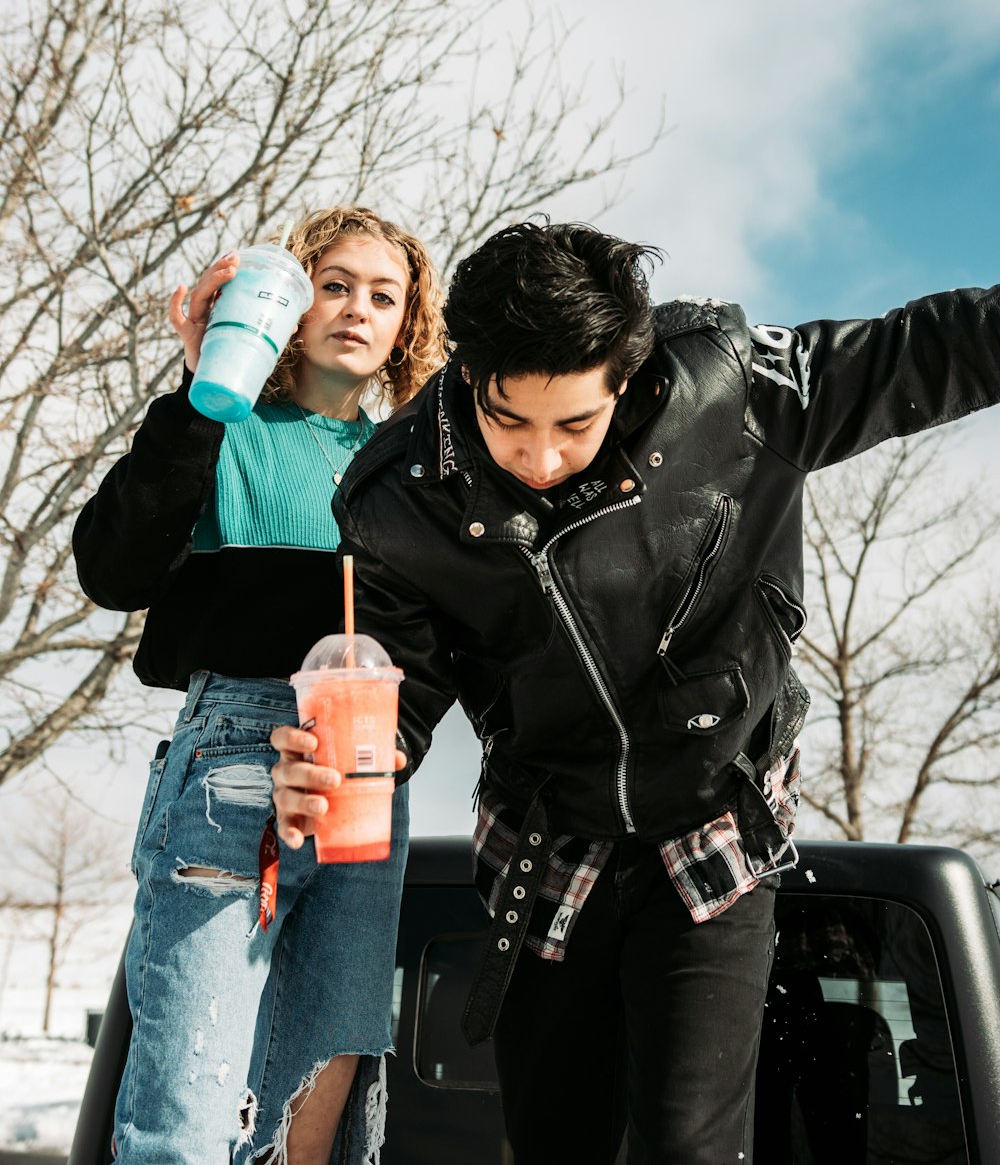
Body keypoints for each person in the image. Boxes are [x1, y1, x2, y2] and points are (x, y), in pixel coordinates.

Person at [271, 220, 1000, 1164]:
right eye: (507, 421)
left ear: (628, 375)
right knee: (556, 1143)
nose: (540, 458)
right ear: (467, 371)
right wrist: (332, 765)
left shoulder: (732, 390)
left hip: (714, 824)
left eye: (575, 424)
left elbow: (930, 348)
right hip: (545, 842)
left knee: (690, 1148)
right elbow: (393, 699)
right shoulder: (399, 499)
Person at [73, 206, 446, 1165]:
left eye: (384, 295)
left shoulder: (412, 470)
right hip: (235, 758)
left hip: (367, 781)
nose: (358, 309)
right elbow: (112, 571)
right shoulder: (225, 422)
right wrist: (202, 390)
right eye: (334, 285)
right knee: (186, 1120)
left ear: (409, 325)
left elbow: (449, 647)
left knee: (309, 1120)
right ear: (285, 305)